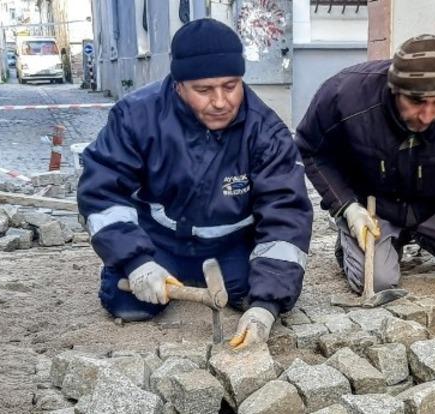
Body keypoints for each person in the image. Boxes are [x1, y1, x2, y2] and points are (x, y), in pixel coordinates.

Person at [78, 18, 312, 349]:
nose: (220, 101)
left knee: (257, 294)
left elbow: (286, 216)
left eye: (231, 86)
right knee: (126, 304)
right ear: (178, 85)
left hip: (229, 248)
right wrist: (136, 262)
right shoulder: (136, 117)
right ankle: (152, 270)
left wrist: (266, 306)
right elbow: (103, 194)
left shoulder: (265, 132)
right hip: (159, 244)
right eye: (204, 90)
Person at [295, 34, 435, 327]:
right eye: (415, 102)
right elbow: (311, 149)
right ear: (393, 88)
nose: (427, 116)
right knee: (379, 281)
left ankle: (422, 236)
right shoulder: (344, 94)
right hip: (375, 205)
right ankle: (350, 240)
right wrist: (347, 207)